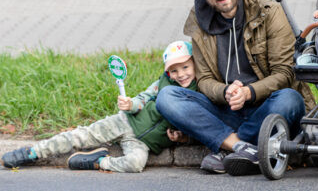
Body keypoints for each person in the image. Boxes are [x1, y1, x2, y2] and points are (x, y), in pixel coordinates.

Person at [156, 0, 315, 176]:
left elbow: (285, 73)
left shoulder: (269, 12)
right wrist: (226, 91)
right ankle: (243, 148)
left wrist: (249, 92)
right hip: (228, 108)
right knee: (167, 97)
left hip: (268, 106)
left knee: (291, 99)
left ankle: (228, 146)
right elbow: (204, 80)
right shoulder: (200, 22)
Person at [1, 41, 197, 173]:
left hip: (143, 143)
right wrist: (131, 104)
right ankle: (35, 152)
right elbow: (143, 98)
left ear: (195, 65)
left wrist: (181, 138)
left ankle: (99, 160)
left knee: (136, 164)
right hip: (126, 122)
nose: (181, 74)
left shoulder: (199, 95)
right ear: (168, 72)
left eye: (185, 67)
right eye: (174, 70)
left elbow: (191, 129)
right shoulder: (162, 83)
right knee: (82, 135)